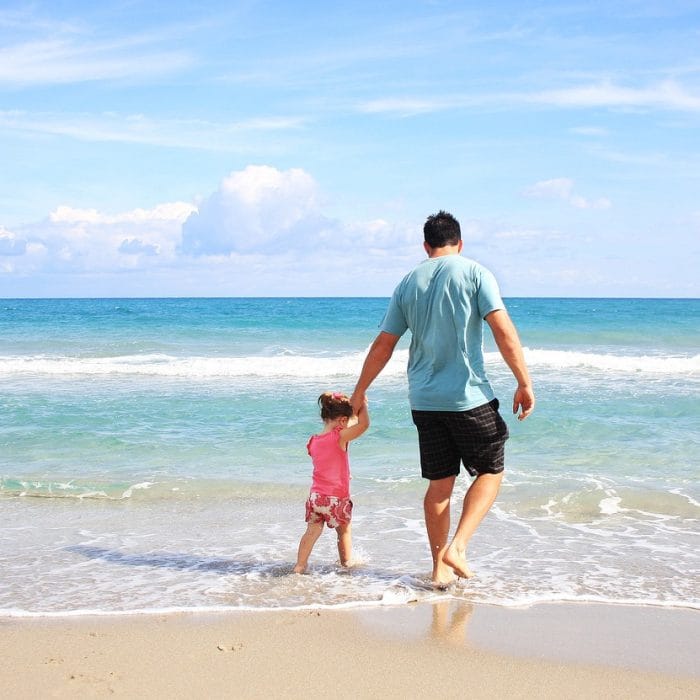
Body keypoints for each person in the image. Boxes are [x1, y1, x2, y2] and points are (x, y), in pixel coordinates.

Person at [350, 210, 534, 587]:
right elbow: (502, 330)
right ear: (460, 243)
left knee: (439, 484)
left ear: (426, 245)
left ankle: (439, 570)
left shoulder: (407, 282)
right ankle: (459, 547)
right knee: (491, 470)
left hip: (424, 400)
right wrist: (523, 381)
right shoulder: (475, 273)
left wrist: (360, 390)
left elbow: (385, 344)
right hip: (467, 397)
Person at [293, 391, 370, 574]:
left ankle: (299, 566)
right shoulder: (339, 437)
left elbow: (328, 462)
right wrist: (363, 406)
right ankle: (346, 564)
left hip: (316, 498)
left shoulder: (312, 441)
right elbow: (364, 424)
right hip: (336, 498)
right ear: (342, 421)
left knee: (311, 532)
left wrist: (352, 408)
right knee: (343, 531)